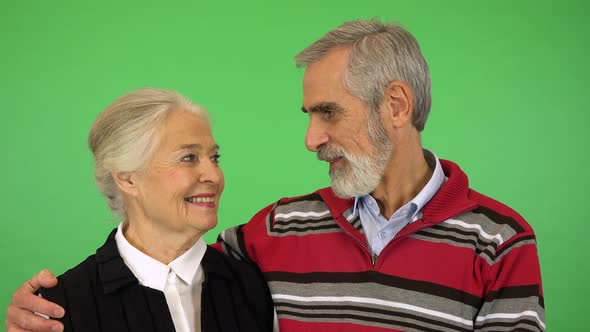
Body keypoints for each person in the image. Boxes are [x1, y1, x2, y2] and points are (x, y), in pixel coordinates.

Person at [6, 19, 544, 332]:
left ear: (396, 105)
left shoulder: (499, 242)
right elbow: (163, 261)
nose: (311, 139)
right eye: (308, 116)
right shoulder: (276, 231)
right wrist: (42, 308)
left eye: (328, 112)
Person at [6, 88, 274, 332]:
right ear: (127, 178)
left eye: (214, 158)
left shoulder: (254, 286)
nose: (214, 175)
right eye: (188, 158)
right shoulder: (59, 307)